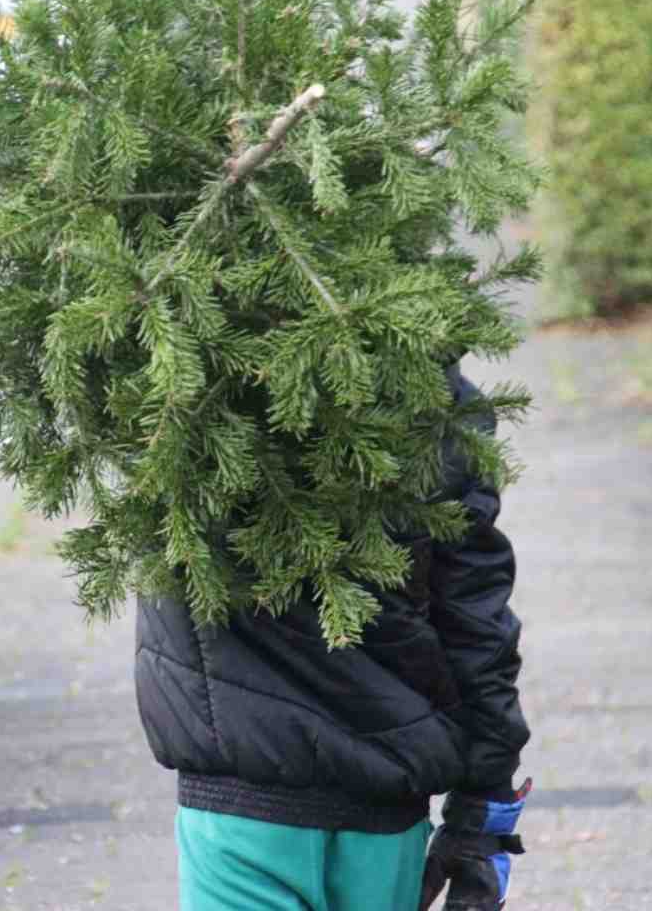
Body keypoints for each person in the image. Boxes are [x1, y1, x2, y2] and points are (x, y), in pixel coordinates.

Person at [135, 360, 532, 911]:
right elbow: (474, 620)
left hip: (240, 790)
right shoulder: (433, 402)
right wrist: (487, 802)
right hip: (383, 790)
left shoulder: (176, 372)